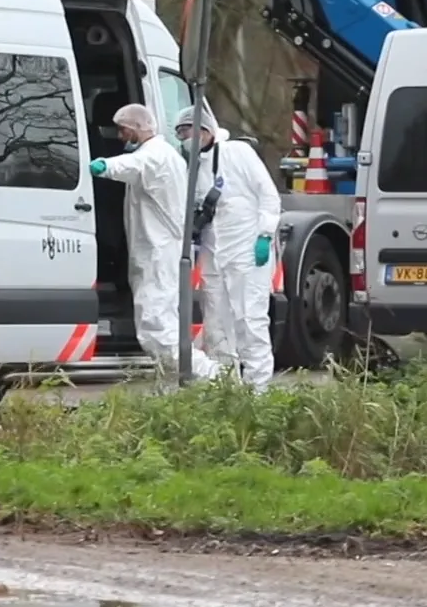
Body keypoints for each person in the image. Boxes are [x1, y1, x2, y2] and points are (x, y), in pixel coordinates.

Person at [89, 103, 218, 380]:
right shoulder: (163, 154)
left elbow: (131, 166)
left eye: (124, 131)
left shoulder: (154, 156)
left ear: (136, 128)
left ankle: (215, 378)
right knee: (163, 327)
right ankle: (175, 392)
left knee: (157, 331)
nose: (121, 137)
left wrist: (104, 166)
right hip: (158, 252)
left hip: (157, 254)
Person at [176, 105, 283, 392]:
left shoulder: (238, 153)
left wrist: (264, 234)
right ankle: (227, 388)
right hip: (215, 251)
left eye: (187, 131)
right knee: (217, 323)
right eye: (180, 133)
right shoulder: (193, 166)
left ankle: (258, 390)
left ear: (205, 130)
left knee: (250, 321)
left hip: (247, 249)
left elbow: (268, 195)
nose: (183, 138)